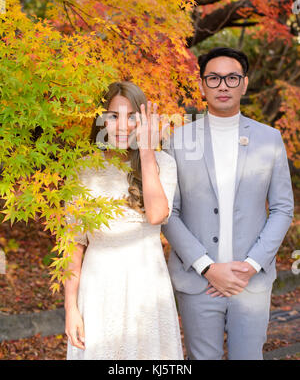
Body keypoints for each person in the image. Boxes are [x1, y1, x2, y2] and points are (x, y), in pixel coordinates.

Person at [162, 47, 294, 360]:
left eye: (232, 78)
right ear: (202, 85)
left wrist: (251, 265)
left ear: (244, 84)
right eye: (214, 78)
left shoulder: (269, 138)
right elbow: (169, 213)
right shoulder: (177, 140)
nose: (223, 85)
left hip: (250, 281)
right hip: (196, 280)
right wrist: (207, 267)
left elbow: (282, 208)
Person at [64, 81, 183, 360]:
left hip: (147, 283)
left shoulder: (162, 163)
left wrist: (145, 151)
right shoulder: (82, 169)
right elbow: (73, 243)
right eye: (113, 116)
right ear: (101, 119)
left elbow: (157, 215)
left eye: (132, 117)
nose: (121, 126)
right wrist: (71, 307)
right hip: (99, 285)